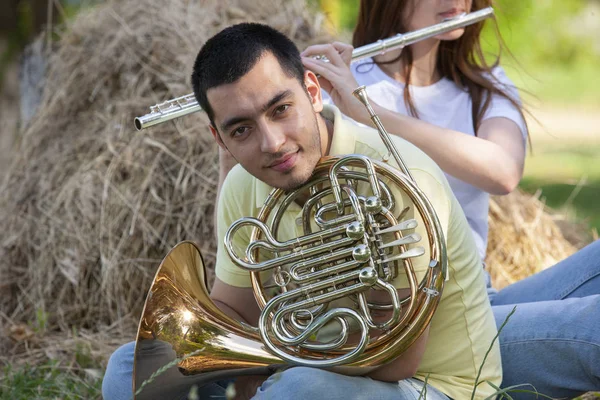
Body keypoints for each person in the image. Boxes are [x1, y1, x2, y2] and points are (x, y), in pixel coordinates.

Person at [103, 22, 503, 400]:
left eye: (280, 110)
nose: (272, 143)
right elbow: (233, 310)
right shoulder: (244, 186)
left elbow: (393, 357)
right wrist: (225, 349)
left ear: (312, 92)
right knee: (130, 368)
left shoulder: (401, 177)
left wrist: (266, 361)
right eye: (241, 129)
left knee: (298, 391)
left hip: (432, 386)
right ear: (219, 137)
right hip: (311, 368)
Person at [297, 0, 600, 398]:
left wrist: (371, 113)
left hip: (472, 295)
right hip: (393, 308)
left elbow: (502, 171)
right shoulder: (340, 80)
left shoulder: (484, 85)